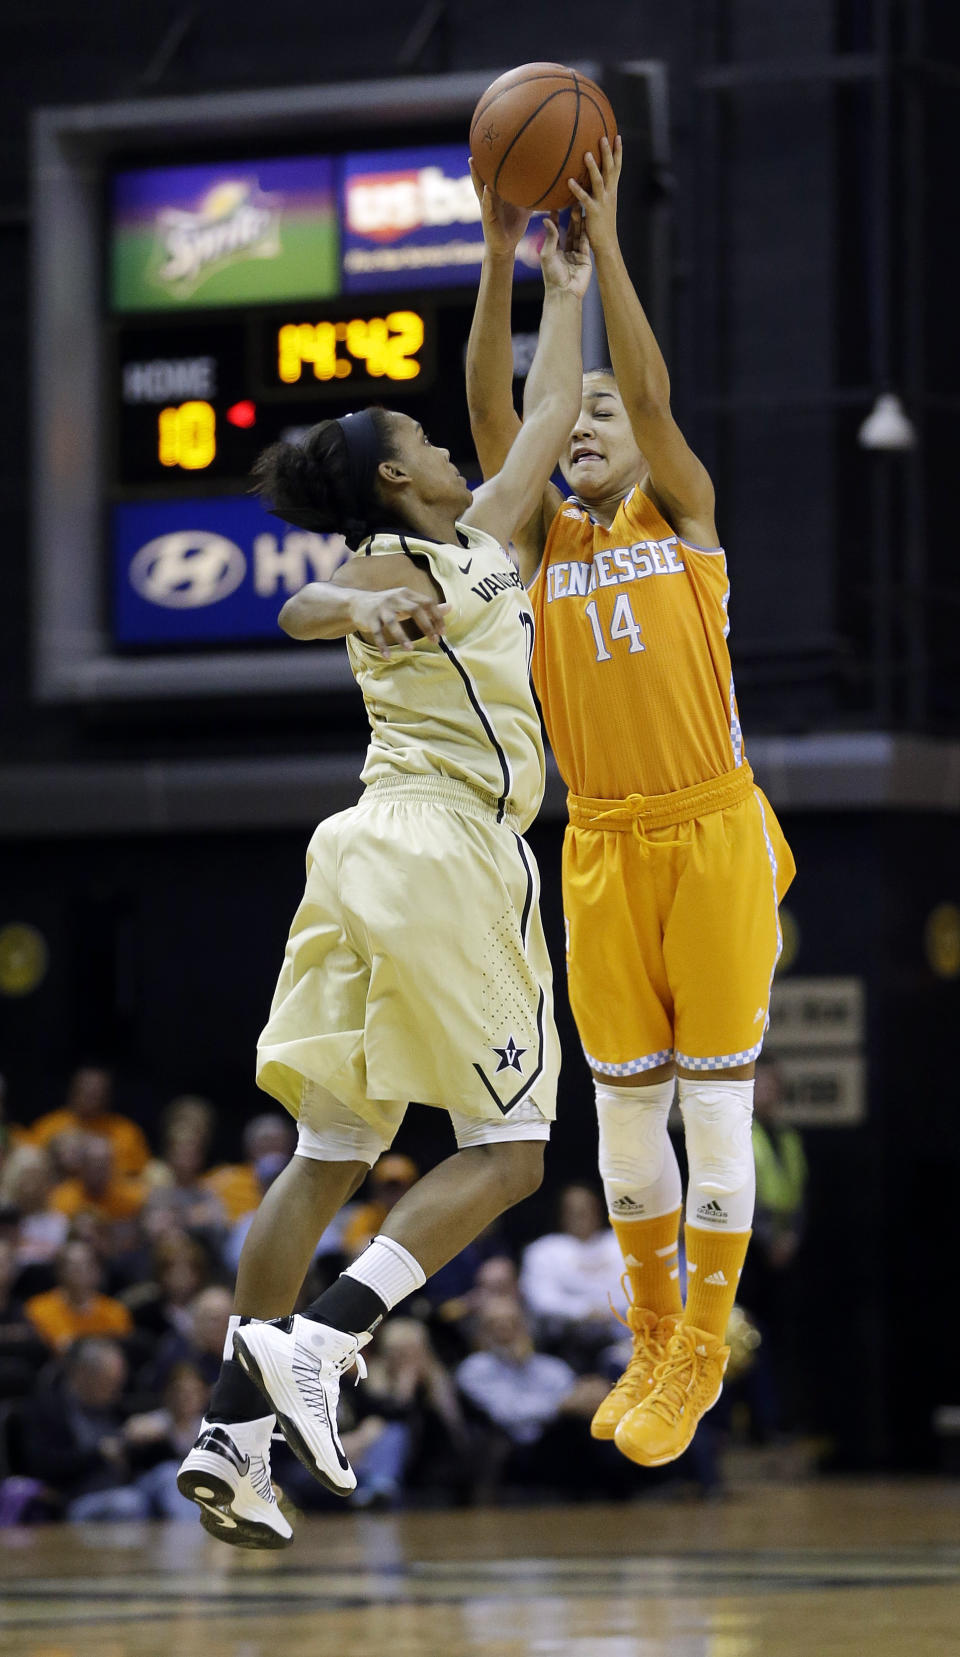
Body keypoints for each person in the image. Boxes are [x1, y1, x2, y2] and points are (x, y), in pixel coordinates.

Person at [176, 208, 591, 1550]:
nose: (450, 444)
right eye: (421, 443)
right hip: (452, 849)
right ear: (403, 484)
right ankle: (332, 1338)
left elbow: (533, 400)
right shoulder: (438, 550)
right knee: (516, 1154)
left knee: (327, 1153)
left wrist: (522, 269)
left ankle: (233, 1439)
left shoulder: (437, 543)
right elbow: (307, 605)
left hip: (356, 850)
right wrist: (354, 608)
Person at [466, 136, 795, 1469]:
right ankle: (653, 1328)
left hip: (711, 830)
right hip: (599, 840)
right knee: (620, 1114)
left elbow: (649, 395)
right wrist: (510, 269)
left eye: (600, 421)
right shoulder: (540, 539)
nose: (586, 431)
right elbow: (500, 413)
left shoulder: (684, 516)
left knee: (715, 1113)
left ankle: (703, 1351)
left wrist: (603, 274)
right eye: (577, 421)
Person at [519, 1182, 625, 1367]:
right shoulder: (543, 1250)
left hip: (623, 1332)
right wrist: (585, 1311)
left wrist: (609, 1312)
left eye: (586, 1209)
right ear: (561, 1213)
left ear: (598, 1209)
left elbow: (640, 1290)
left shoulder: (620, 1242)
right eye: (573, 1210)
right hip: (565, 1341)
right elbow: (541, 1300)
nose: (580, 1215)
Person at [28, 1066, 150, 1177]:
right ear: (73, 1092)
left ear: (108, 1096)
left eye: (97, 1093)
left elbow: (137, 1173)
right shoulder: (49, 1126)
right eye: (86, 1092)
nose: (91, 1099)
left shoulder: (126, 1131)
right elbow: (31, 1165)